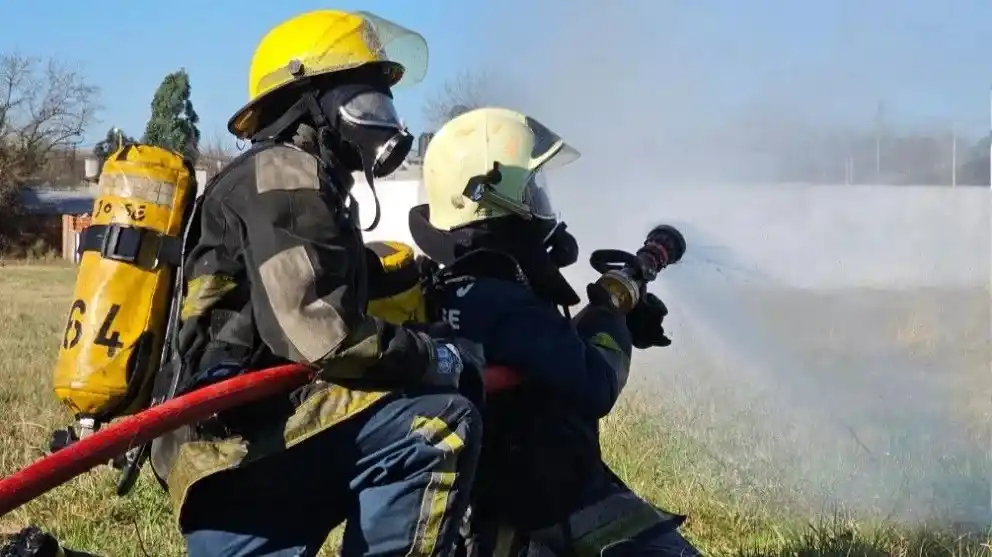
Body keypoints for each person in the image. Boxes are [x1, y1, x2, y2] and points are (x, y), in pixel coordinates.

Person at [2, 10, 485, 557]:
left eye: (385, 108)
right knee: (436, 426)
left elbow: (313, 288)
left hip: (224, 450)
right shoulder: (283, 174)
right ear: (311, 102)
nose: (383, 128)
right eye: (366, 105)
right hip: (242, 450)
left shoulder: (297, 184)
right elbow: (320, 334)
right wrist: (439, 359)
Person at [407, 107, 702, 557]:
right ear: (497, 199)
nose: (542, 204)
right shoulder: (501, 302)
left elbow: (543, 351)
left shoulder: (469, 288)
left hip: (521, 494)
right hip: (533, 513)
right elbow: (594, 382)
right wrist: (610, 315)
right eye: (531, 190)